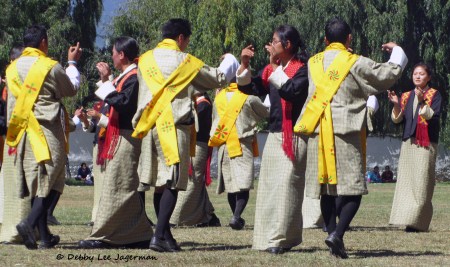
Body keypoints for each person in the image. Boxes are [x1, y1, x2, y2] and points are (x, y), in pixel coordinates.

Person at [289, 17, 408, 258]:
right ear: (349, 39)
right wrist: (397, 53)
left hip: (318, 131)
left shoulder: (313, 62)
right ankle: (337, 235)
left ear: (325, 40)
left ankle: (332, 234)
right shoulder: (354, 61)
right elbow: (386, 75)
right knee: (353, 188)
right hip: (345, 131)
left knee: (326, 188)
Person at [132, 18, 238, 253]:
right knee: (172, 182)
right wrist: (232, 61)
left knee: (160, 184)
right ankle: (159, 236)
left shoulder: (145, 59)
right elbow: (216, 78)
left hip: (149, 127)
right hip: (173, 127)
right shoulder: (186, 61)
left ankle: (165, 235)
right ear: (181, 38)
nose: (187, 44)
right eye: (187, 40)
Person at [5, 25, 81, 250]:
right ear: (44, 43)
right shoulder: (50, 66)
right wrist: (73, 64)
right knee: (50, 178)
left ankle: (45, 236)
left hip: (24, 133)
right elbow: (71, 89)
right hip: (47, 132)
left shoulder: (11, 69)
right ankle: (28, 224)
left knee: (39, 181)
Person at [237, 25, 309, 254]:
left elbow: (291, 91)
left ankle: (282, 239)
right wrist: (245, 64)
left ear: (287, 45)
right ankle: (267, 237)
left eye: (274, 41)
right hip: (275, 135)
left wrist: (275, 67)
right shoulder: (272, 69)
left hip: (294, 136)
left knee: (288, 188)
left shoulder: (302, 70)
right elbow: (250, 88)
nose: (270, 45)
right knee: (270, 188)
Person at [78, 36, 153, 249]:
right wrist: (106, 80)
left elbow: (124, 104)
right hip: (120, 136)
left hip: (127, 137)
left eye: (113, 52)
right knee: (124, 184)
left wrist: (105, 82)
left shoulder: (134, 77)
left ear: (121, 54)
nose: (111, 56)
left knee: (118, 184)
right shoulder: (125, 77)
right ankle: (138, 233)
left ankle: (104, 235)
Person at [209, 70, 269, 230]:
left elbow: (214, 118)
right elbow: (265, 112)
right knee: (243, 183)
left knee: (230, 183)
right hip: (242, 145)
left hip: (224, 145)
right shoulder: (249, 98)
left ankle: (235, 216)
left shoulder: (219, 97)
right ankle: (236, 216)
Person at [388, 62, 442, 232]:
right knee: (407, 182)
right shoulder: (405, 96)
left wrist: (421, 101)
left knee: (422, 182)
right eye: (415, 74)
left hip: (426, 143)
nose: (417, 76)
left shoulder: (434, 95)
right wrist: (396, 104)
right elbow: (398, 120)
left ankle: (419, 222)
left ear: (429, 77)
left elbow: (433, 116)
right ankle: (408, 220)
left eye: (421, 74)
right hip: (409, 143)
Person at [170, 92, 220, 227]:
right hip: (191, 145)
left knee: (193, 180)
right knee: (195, 180)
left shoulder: (203, 104)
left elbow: (192, 123)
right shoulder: (196, 103)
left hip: (198, 146)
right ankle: (208, 215)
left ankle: (177, 217)